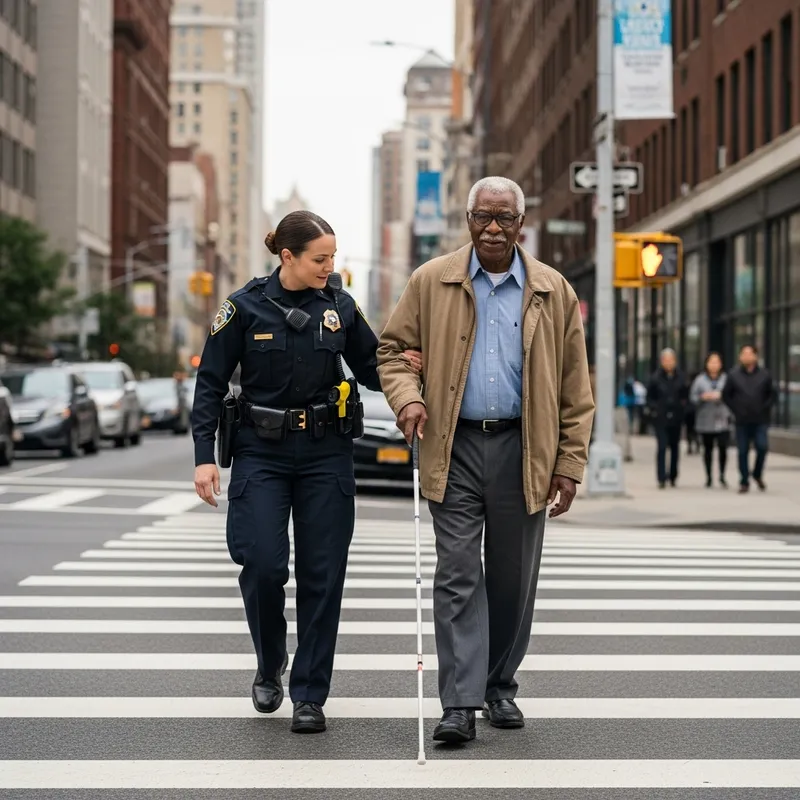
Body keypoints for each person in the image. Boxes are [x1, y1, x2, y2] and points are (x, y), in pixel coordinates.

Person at [376, 176, 595, 744]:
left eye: (505, 218)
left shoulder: (553, 289)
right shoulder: (431, 280)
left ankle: (499, 686)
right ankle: (459, 702)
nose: (493, 228)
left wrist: (569, 462)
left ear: (522, 224)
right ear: (467, 220)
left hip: (526, 448)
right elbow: (393, 351)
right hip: (454, 444)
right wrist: (409, 397)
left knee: (511, 578)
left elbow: (576, 385)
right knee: (457, 574)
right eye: (483, 217)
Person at [191, 210, 421, 735]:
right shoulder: (243, 307)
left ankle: (310, 694)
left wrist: (407, 370)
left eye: (333, 258)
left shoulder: (340, 306)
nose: (330, 267)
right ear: (287, 257)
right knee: (265, 566)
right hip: (261, 453)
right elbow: (210, 382)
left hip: (326, 455)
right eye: (321, 259)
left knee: (323, 577)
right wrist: (205, 455)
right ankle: (270, 661)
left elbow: (370, 366)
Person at [722, 344, 777, 493]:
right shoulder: (733, 375)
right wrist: (736, 409)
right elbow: (726, 395)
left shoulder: (765, 375)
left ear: (755, 356)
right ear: (740, 357)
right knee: (742, 451)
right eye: (743, 354)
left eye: (749, 353)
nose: (746, 356)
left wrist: (765, 408)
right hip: (741, 420)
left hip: (760, 420)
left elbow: (772, 395)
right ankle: (744, 480)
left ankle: (757, 473)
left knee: (762, 447)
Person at [646, 348, 688, 488]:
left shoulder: (681, 377)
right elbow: (649, 398)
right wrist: (655, 409)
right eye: (666, 360)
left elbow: (685, 395)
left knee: (675, 447)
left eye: (671, 360)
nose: (669, 363)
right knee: (662, 446)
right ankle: (661, 477)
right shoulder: (655, 378)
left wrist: (683, 407)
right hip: (661, 418)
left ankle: (673, 475)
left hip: (676, 417)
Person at [690, 352, 731, 488]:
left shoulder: (726, 379)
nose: (714, 365)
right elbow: (693, 398)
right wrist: (703, 397)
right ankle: (708, 477)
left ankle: (722, 475)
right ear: (706, 364)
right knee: (707, 449)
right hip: (705, 418)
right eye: (711, 362)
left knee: (723, 448)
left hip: (722, 418)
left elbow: (733, 396)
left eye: (716, 362)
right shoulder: (700, 380)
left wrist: (722, 396)